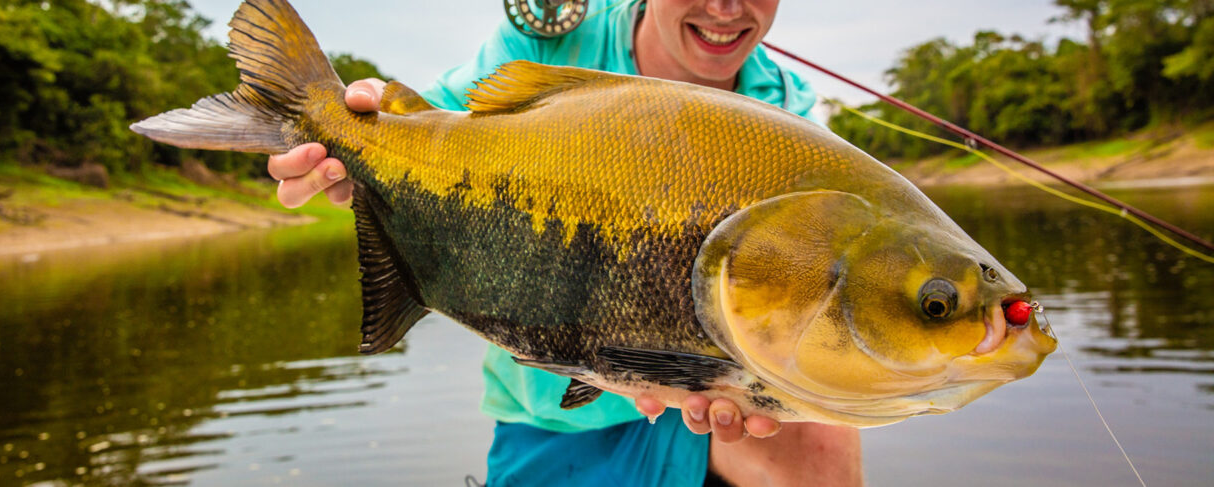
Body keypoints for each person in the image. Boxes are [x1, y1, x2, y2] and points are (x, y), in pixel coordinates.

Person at [269, 1, 862, 485]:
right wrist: (349, 142)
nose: (727, 8)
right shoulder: (554, 34)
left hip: (703, 405)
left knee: (826, 420)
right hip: (551, 416)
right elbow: (427, 129)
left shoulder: (792, 116)